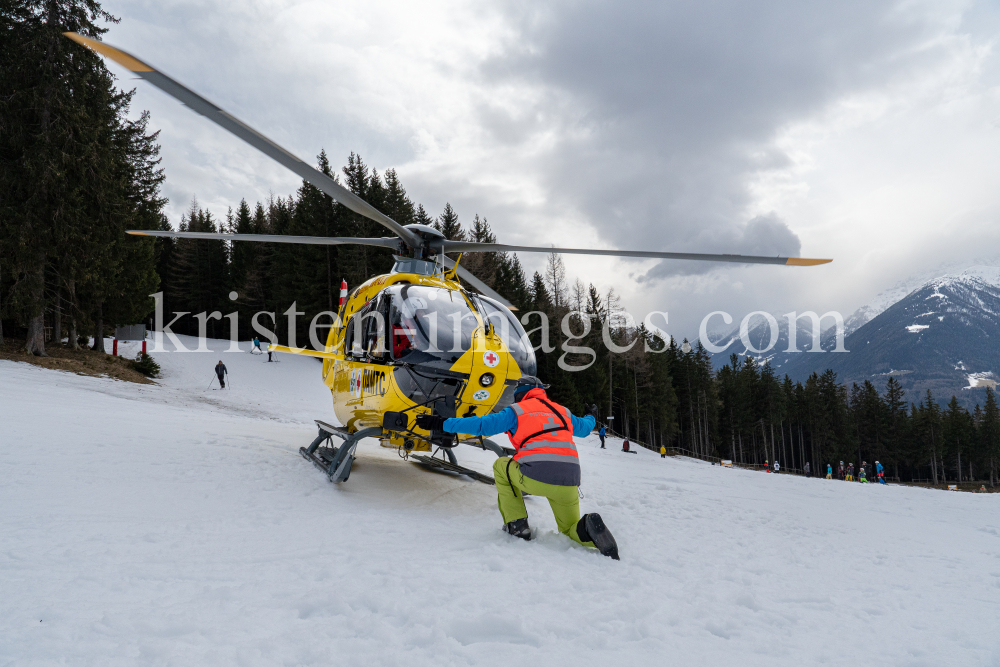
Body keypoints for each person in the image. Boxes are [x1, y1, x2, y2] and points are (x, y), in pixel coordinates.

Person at [417, 377, 619, 559]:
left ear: (519, 394)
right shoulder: (562, 411)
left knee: (501, 464)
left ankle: (517, 525)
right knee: (568, 529)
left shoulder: (517, 411)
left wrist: (440, 423)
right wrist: (591, 415)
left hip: (535, 475)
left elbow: (481, 426)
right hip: (570, 480)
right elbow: (584, 428)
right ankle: (588, 529)